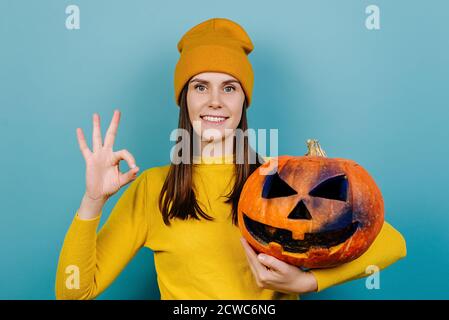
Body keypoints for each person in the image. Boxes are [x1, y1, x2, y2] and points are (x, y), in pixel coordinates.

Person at [55, 17, 407, 300]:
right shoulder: (152, 189)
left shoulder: (282, 178)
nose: (215, 101)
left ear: (243, 101)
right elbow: (73, 293)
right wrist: (93, 201)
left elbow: (393, 243)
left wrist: (307, 283)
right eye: (200, 86)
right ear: (185, 100)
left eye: (229, 87)